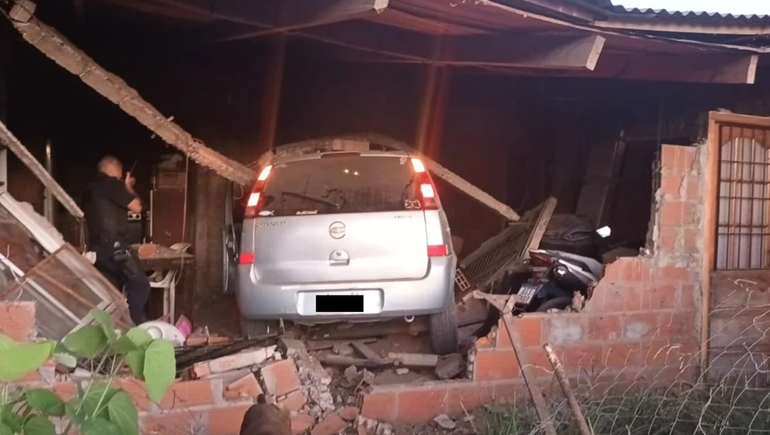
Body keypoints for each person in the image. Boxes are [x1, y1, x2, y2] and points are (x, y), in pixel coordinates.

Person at [83, 155, 149, 325]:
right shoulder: (111, 184)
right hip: (115, 247)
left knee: (111, 293)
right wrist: (127, 186)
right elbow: (137, 207)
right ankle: (134, 327)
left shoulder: (90, 188)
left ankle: (112, 331)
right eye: (120, 173)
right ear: (114, 167)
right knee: (140, 285)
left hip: (97, 248)